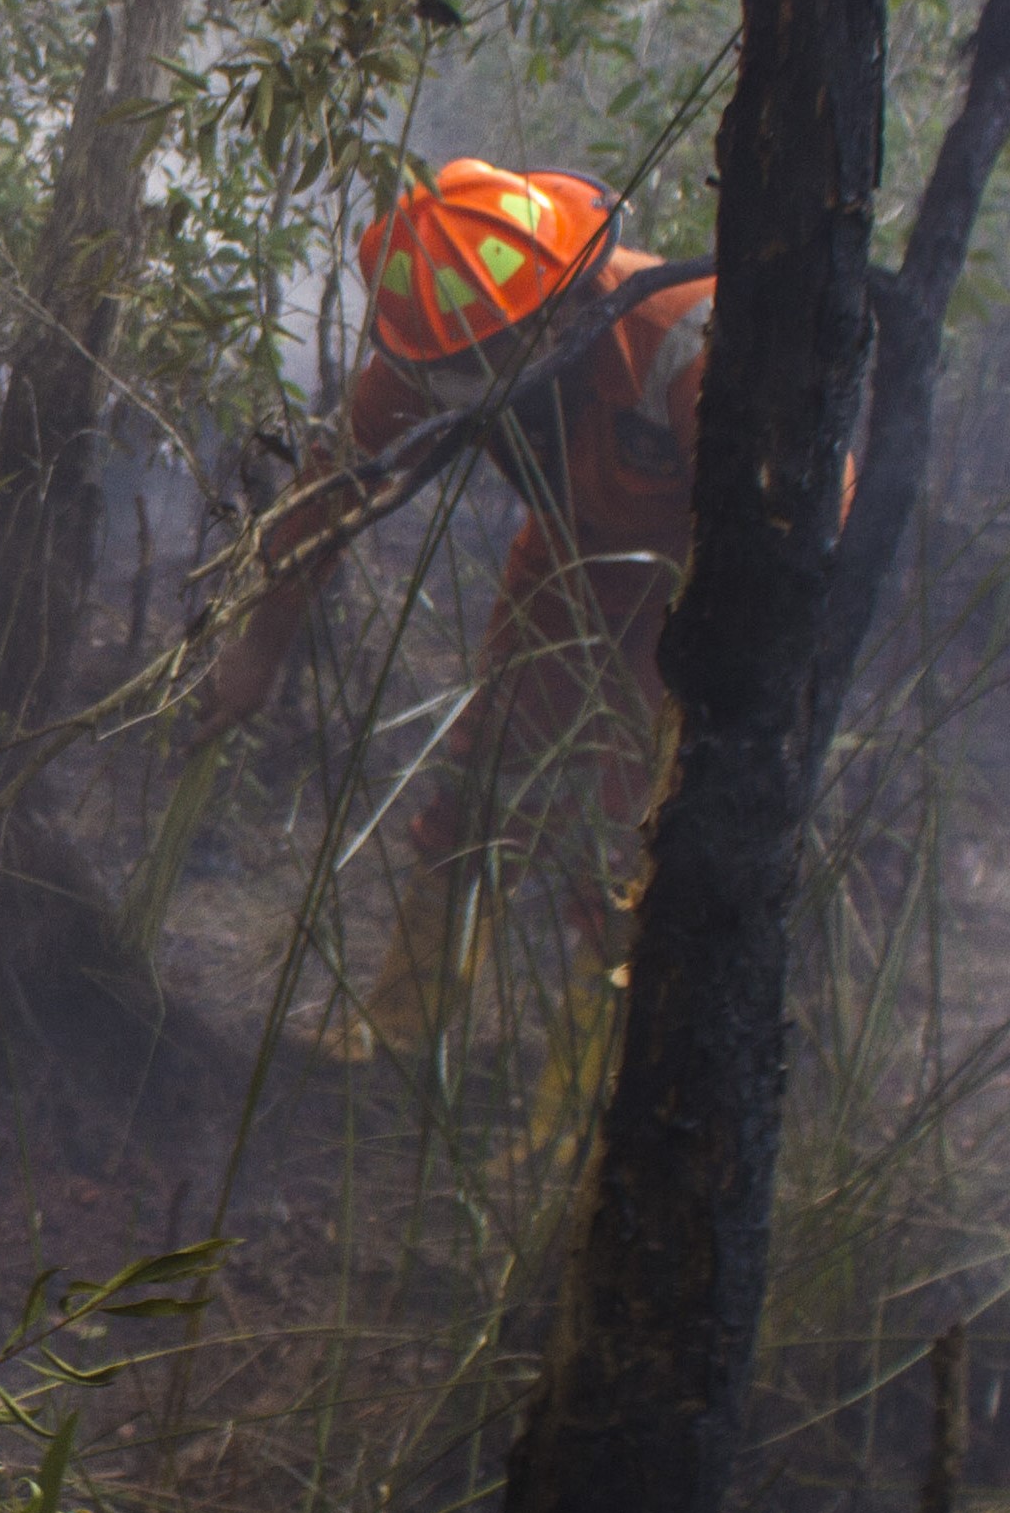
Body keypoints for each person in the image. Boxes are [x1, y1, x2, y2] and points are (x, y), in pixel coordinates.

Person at [201, 158, 711, 1064]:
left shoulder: (687, 339)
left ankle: (593, 1102)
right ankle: (399, 1029)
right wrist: (259, 648)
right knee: (485, 782)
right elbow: (332, 498)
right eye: (431, 373)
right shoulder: (436, 344)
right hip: (571, 554)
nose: (437, 391)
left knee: (631, 832)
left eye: (470, 373)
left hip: (703, 595)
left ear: (554, 316)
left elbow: (799, 529)